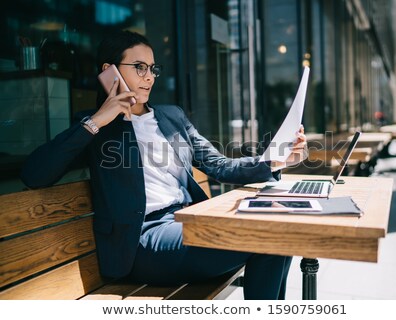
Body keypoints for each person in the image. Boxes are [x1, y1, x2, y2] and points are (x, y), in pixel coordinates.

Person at [21, 30, 308, 300]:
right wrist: (98, 120)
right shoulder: (96, 127)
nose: (149, 77)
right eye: (139, 67)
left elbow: (218, 165)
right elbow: (35, 174)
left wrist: (275, 160)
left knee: (279, 232)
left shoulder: (171, 117)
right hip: (143, 241)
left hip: (188, 221)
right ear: (110, 70)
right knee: (269, 237)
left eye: (152, 69)